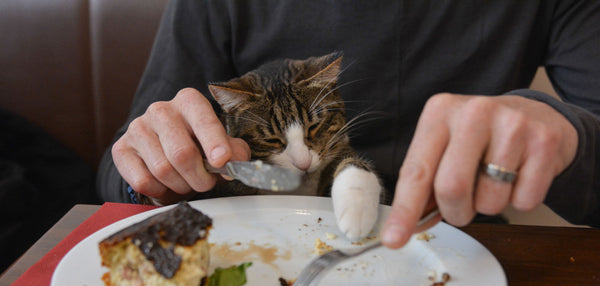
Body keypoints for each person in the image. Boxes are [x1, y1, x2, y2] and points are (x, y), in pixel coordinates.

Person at [97, 0, 600, 249]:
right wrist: (149, 168)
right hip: (252, 249)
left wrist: (567, 134)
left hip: (462, 250)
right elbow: (119, 172)